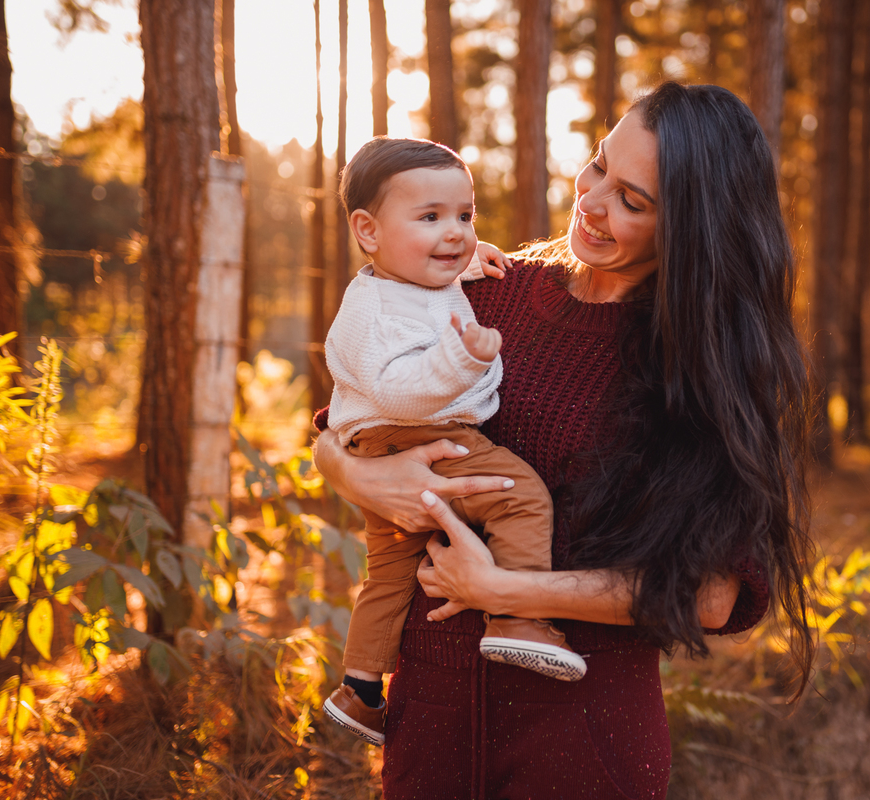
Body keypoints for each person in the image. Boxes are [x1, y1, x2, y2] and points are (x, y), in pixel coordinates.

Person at [314, 82, 815, 800]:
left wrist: (506, 590)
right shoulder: (488, 289)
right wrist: (353, 475)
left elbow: (707, 594)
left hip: (581, 741)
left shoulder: (701, 366)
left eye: (632, 201)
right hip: (429, 716)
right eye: (599, 164)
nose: (592, 199)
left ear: (694, 229)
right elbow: (355, 407)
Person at [320, 138, 588, 747]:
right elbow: (398, 391)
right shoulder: (369, 310)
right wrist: (460, 359)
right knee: (520, 496)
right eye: (431, 218)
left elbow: (432, 287)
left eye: (465, 217)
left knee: (390, 574)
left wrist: (467, 259)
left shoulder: (404, 281)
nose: (455, 233)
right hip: (423, 435)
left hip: (380, 449)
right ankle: (519, 617)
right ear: (367, 230)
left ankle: (360, 689)